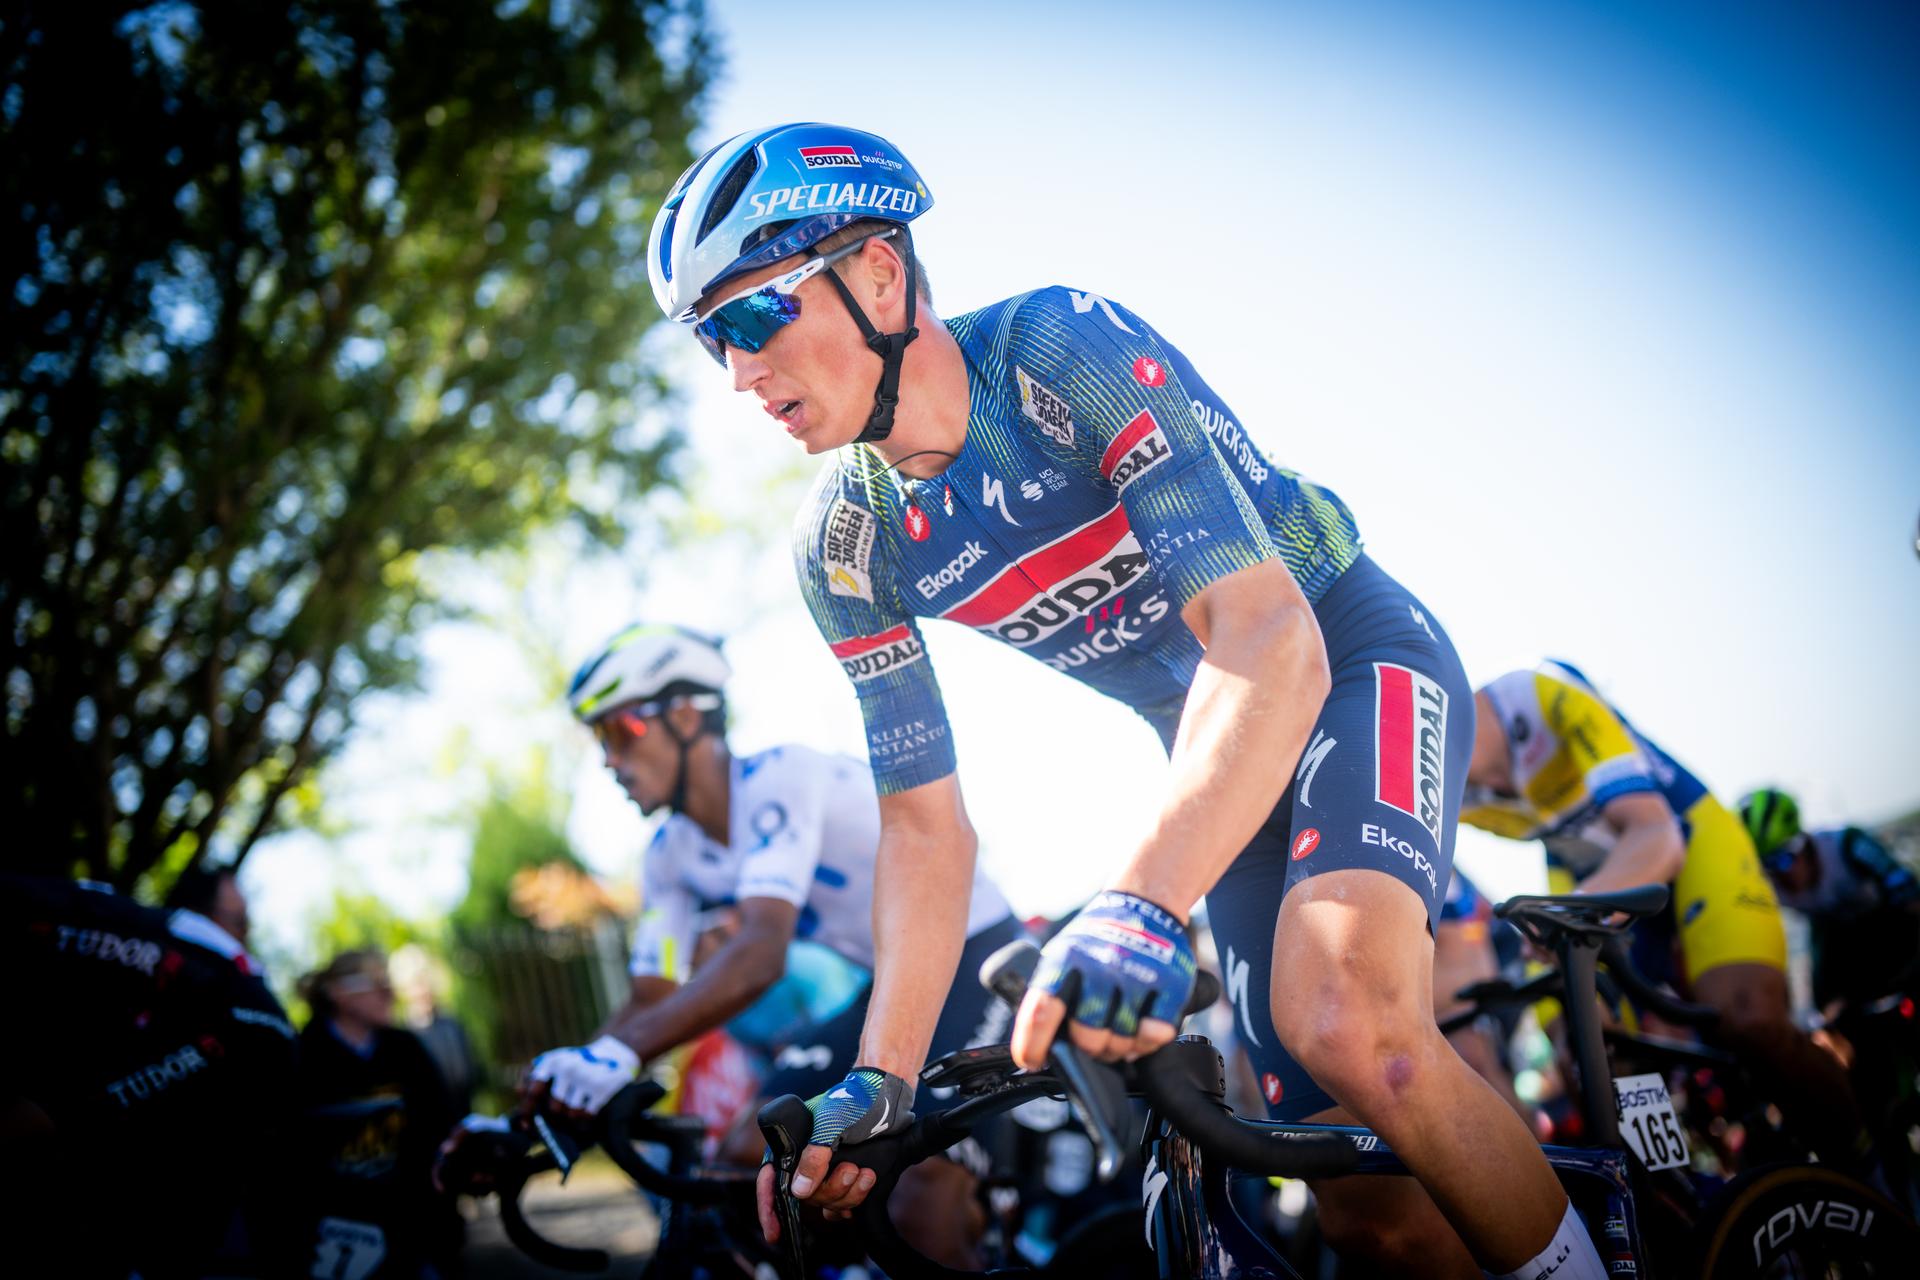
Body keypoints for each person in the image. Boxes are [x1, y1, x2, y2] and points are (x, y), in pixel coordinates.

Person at [647, 123, 1601, 1279]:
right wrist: (879, 1080)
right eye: (713, 343)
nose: (740, 373)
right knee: (1364, 1206)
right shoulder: (848, 548)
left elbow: (1265, 635)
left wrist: (1143, 899)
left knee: (1352, 1022)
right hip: (1220, 755)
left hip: (1342, 654)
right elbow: (923, 824)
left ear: (881, 276)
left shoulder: (1057, 349)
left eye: (755, 315)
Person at [523, 623, 1018, 1264]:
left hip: (976, 957)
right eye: (598, 741)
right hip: (889, 985)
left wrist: (616, 1054)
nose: (609, 761)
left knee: (919, 1182)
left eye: (618, 732)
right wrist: (571, 1075)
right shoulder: (671, 856)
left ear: (684, 715)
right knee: (751, 1156)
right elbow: (652, 993)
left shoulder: (782, 778)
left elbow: (762, 951)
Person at [1461, 661, 1867, 1166]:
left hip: (1685, 839)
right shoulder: (1441, 788)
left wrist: (1560, 912)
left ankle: (1865, 1171)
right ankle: (1683, 1200)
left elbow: (1657, 835)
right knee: (1591, 1053)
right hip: (1590, 869)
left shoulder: (1537, 697)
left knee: (1748, 1019)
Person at [2, 872, 299, 1278]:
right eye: (239, 921)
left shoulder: (210, 973)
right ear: (201, 916)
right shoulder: (193, 963)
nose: (245, 933)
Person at [295, 949, 463, 1279]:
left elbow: (438, 1125)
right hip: (335, 1237)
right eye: (375, 983)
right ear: (338, 993)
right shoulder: (303, 1056)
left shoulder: (405, 1048)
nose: (389, 992)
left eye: (388, 982)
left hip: (410, 1226)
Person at [1739, 787, 1920, 1009]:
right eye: (1767, 866)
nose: (1780, 873)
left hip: (1891, 923)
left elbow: (1909, 894)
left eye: (1784, 858)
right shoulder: (1768, 887)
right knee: (1825, 1007)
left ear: (1802, 840)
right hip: (1836, 939)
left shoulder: (1846, 844)